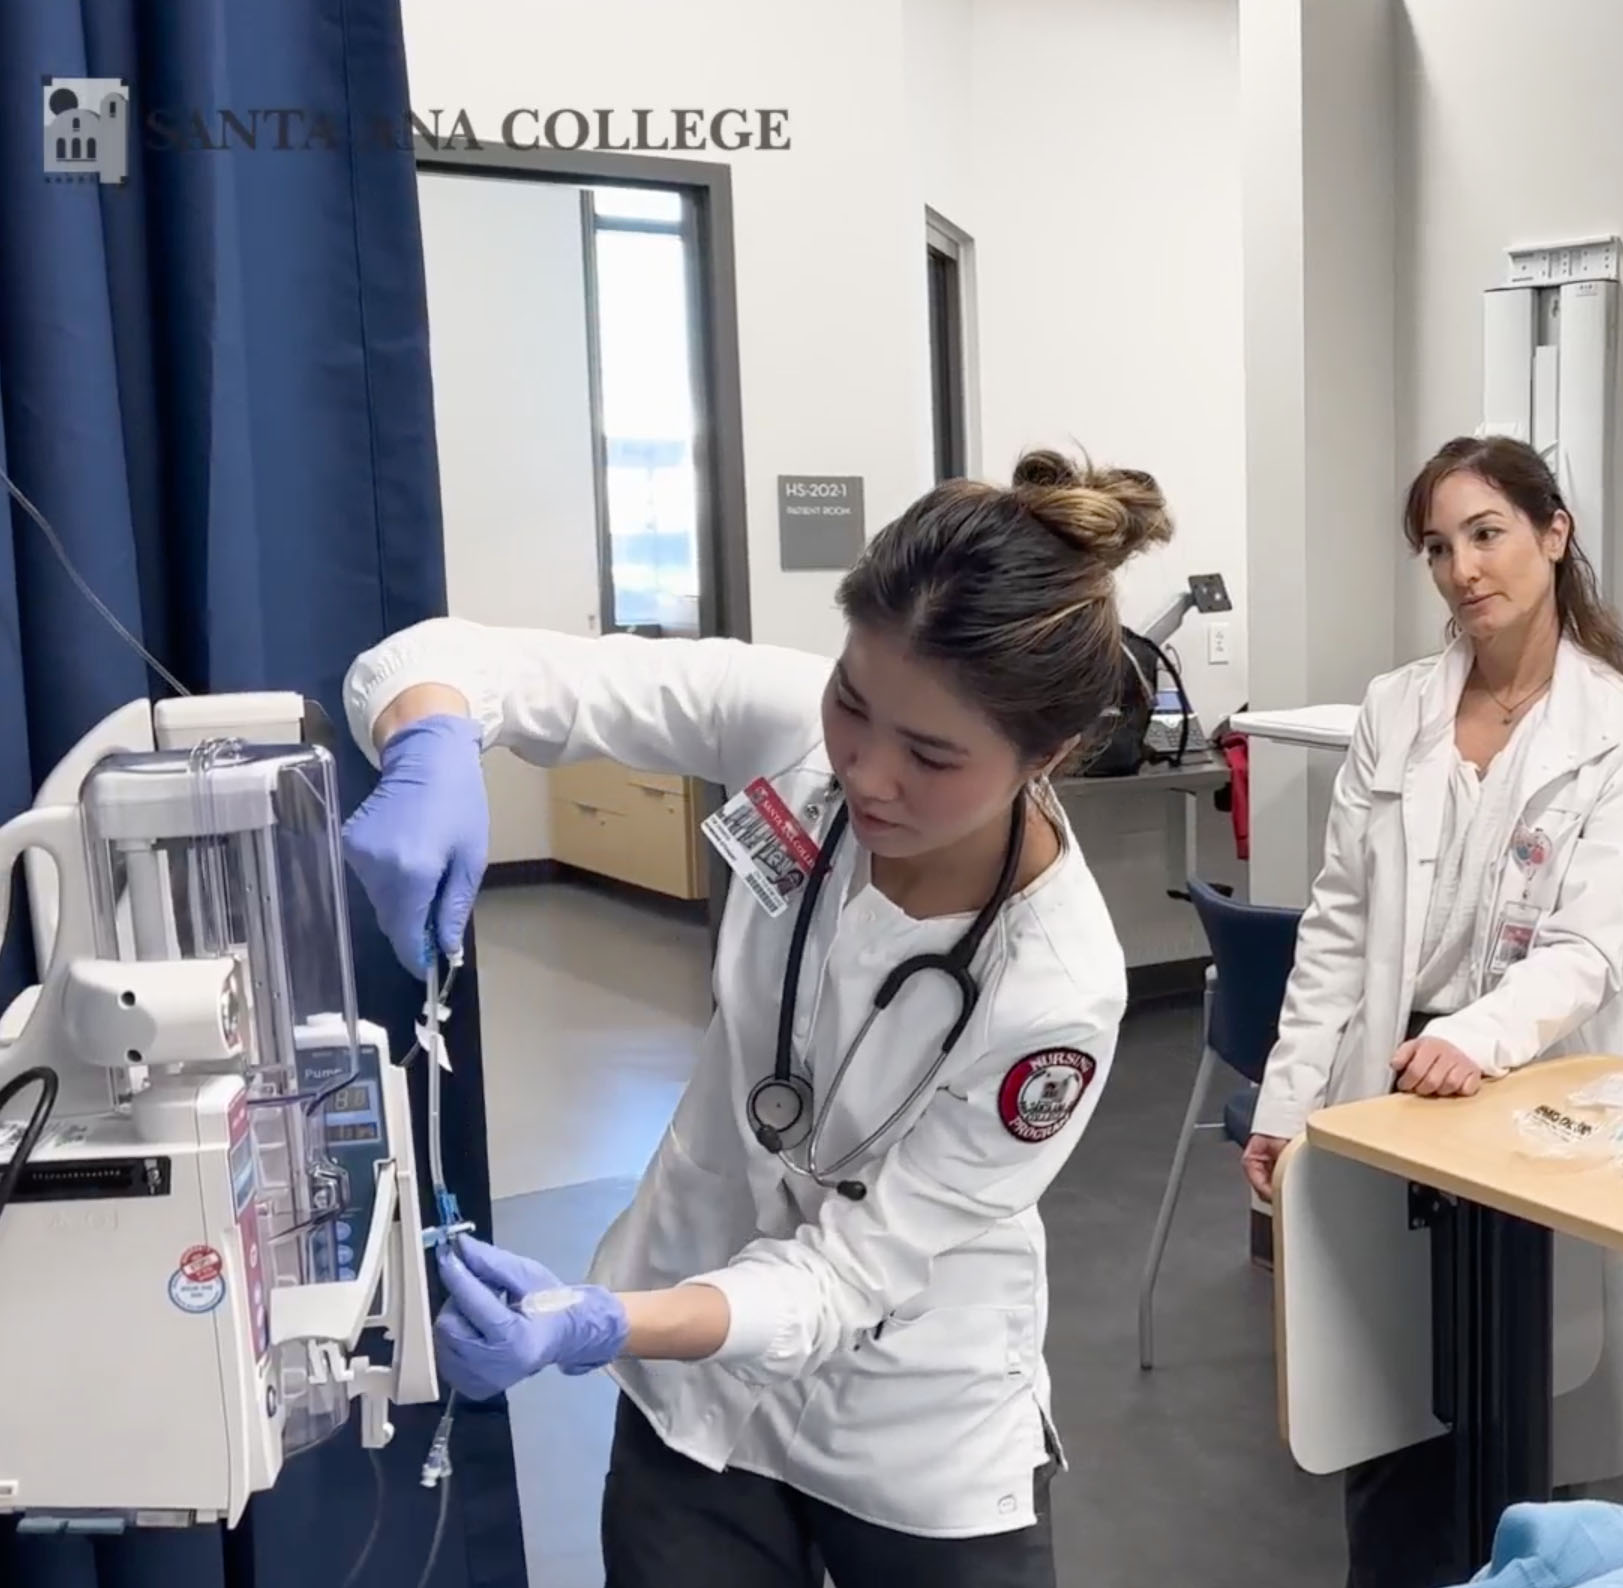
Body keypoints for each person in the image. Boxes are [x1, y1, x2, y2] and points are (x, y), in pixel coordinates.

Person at [336, 452, 1172, 1587]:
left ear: (1051, 755)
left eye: (931, 755)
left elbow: (844, 1279)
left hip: (906, 1415)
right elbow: (443, 660)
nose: (866, 773)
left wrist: (601, 1322)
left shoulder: (1055, 990)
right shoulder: (790, 734)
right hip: (693, 1392)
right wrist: (431, 742)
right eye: (852, 704)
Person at [1240, 435, 1623, 1588]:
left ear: (1552, 533)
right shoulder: (1396, 710)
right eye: (1437, 548)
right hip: (1388, 1092)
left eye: (1486, 534)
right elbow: (1338, 925)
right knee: (1387, 1416)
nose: (1461, 569)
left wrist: (1469, 1039)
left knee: (1524, 1408)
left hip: (1531, 1092)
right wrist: (1286, 1102)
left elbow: (1590, 947)